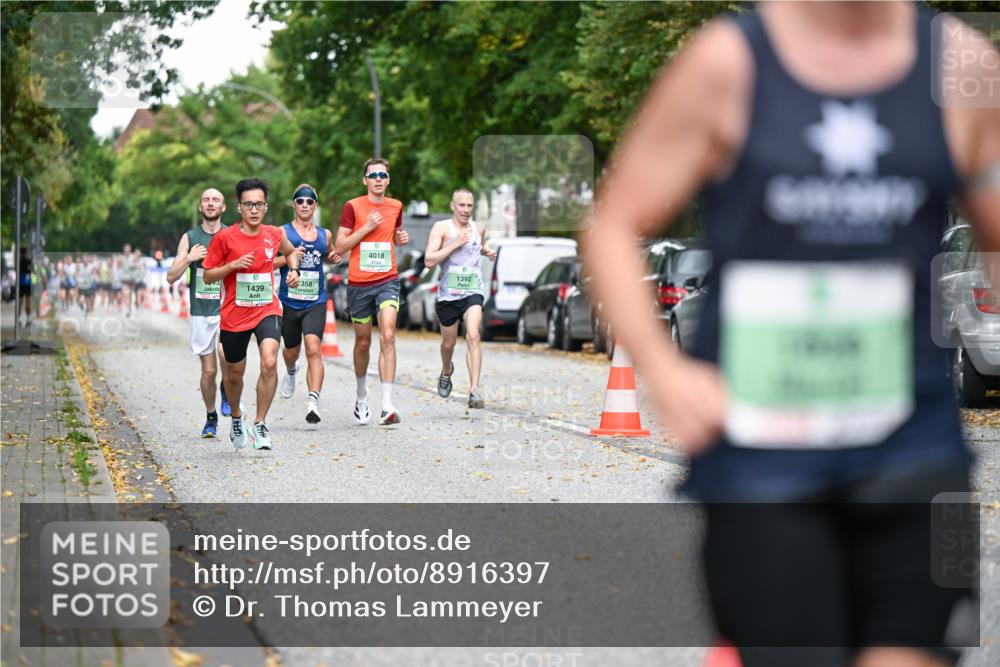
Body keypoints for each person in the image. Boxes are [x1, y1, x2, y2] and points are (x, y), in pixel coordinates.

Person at [586, 3, 998, 667]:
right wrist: (664, 369)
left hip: (917, 449)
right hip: (762, 462)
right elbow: (612, 226)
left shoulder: (963, 68)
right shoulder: (726, 65)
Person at [203, 177, 301, 451]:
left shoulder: (273, 233)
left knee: (269, 361)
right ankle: (236, 416)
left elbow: (291, 253)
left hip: (266, 310)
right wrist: (232, 265)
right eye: (249, 204)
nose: (254, 209)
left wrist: (293, 271)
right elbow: (209, 275)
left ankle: (260, 423)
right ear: (239, 207)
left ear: (266, 207)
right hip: (235, 315)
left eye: (259, 204)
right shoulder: (225, 237)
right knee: (234, 375)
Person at [335, 158, 410, 426]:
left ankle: (387, 404)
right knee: (363, 341)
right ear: (364, 180)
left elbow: (397, 232)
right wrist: (366, 228)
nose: (378, 179)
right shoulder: (353, 207)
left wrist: (401, 237)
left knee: (388, 335)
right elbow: (340, 245)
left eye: (383, 175)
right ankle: (361, 394)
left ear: (388, 179)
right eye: (373, 175)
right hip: (358, 284)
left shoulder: (396, 206)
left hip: (388, 279)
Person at [166, 188, 233, 438]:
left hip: (227, 309)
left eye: (216, 200)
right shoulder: (190, 237)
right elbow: (171, 277)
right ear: (200, 207)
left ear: (223, 207)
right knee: (209, 372)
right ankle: (211, 416)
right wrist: (190, 258)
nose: (211, 203)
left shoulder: (231, 234)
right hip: (201, 311)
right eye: (206, 199)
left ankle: (227, 389)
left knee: (226, 355)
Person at [275, 183, 342, 424]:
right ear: (294, 204)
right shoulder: (282, 233)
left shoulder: (325, 235)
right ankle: (292, 371)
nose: (305, 205)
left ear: (315, 205)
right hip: (289, 301)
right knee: (291, 350)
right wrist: (288, 258)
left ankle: (313, 402)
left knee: (314, 348)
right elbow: (267, 263)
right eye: (300, 201)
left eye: (309, 201)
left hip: (316, 300)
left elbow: (330, 254)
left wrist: (333, 257)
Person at [423, 188, 496, 408]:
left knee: (473, 334)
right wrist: (454, 243)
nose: (465, 210)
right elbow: (428, 260)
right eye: (461, 205)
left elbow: (475, 247)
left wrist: (486, 251)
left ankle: (474, 391)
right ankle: (447, 370)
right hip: (447, 296)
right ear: (452, 206)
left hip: (472, 291)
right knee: (449, 343)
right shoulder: (441, 228)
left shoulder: (479, 229)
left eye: (469, 206)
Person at [17, 246, 32, 327]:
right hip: (28, 284)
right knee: (28, 302)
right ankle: (29, 320)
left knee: (20, 302)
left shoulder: (18, 261)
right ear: (26, 252)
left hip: (20, 284)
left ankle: (18, 319)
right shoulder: (29, 261)